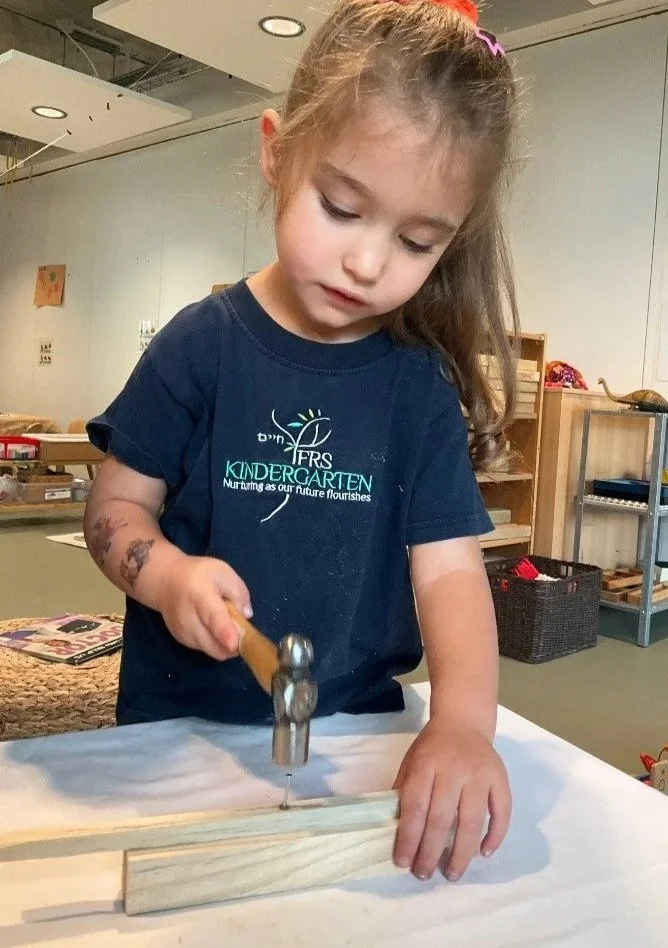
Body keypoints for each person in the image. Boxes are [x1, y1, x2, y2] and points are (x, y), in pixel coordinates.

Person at [85, 0, 520, 885]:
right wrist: (167, 576)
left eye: (415, 240)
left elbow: (449, 573)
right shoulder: (199, 345)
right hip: (178, 732)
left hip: (359, 736)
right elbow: (115, 511)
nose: (368, 263)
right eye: (341, 208)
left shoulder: (417, 390)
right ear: (278, 152)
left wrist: (466, 724)